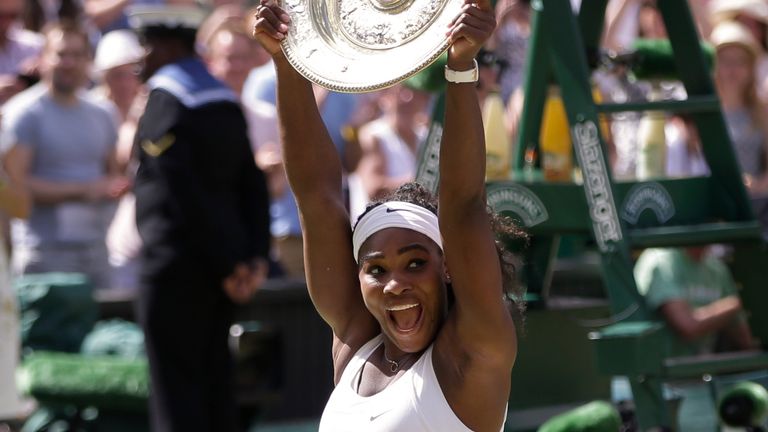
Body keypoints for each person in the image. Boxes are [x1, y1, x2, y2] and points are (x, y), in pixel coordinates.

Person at [253, 0, 524, 429]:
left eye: (416, 263)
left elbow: (464, 206)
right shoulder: (354, 346)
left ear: (448, 266)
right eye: (376, 270)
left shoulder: (472, 353)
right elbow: (317, 197)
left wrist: (460, 68)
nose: (396, 284)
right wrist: (286, 58)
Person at [130, 5, 271, 431]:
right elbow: (252, 183)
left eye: (149, 47)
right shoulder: (223, 101)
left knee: (177, 393)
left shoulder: (166, 101)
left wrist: (230, 263)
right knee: (215, 385)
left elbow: (182, 195)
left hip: (179, 272)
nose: (143, 57)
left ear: (169, 47)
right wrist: (251, 258)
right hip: (224, 273)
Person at [2, 20, 130, 290]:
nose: (68, 63)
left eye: (77, 55)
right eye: (61, 54)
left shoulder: (103, 113)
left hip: (96, 249)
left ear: (88, 60)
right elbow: (16, 185)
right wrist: (82, 190)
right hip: (44, 253)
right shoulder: (23, 114)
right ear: (43, 59)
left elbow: (111, 174)